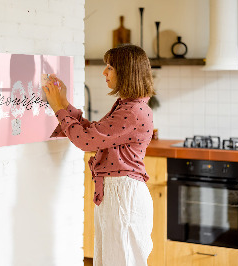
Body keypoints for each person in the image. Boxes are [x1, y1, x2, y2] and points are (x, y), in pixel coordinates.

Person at [43, 44, 155, 266]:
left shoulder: (132, 111)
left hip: (123, 195)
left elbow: (86, 141)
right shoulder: (128, 106)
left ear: (126, 72)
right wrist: (64, 103)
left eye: (110, 67)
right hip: (118, 193)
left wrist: (58, 108)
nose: (104, 72)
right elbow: (94, 133)